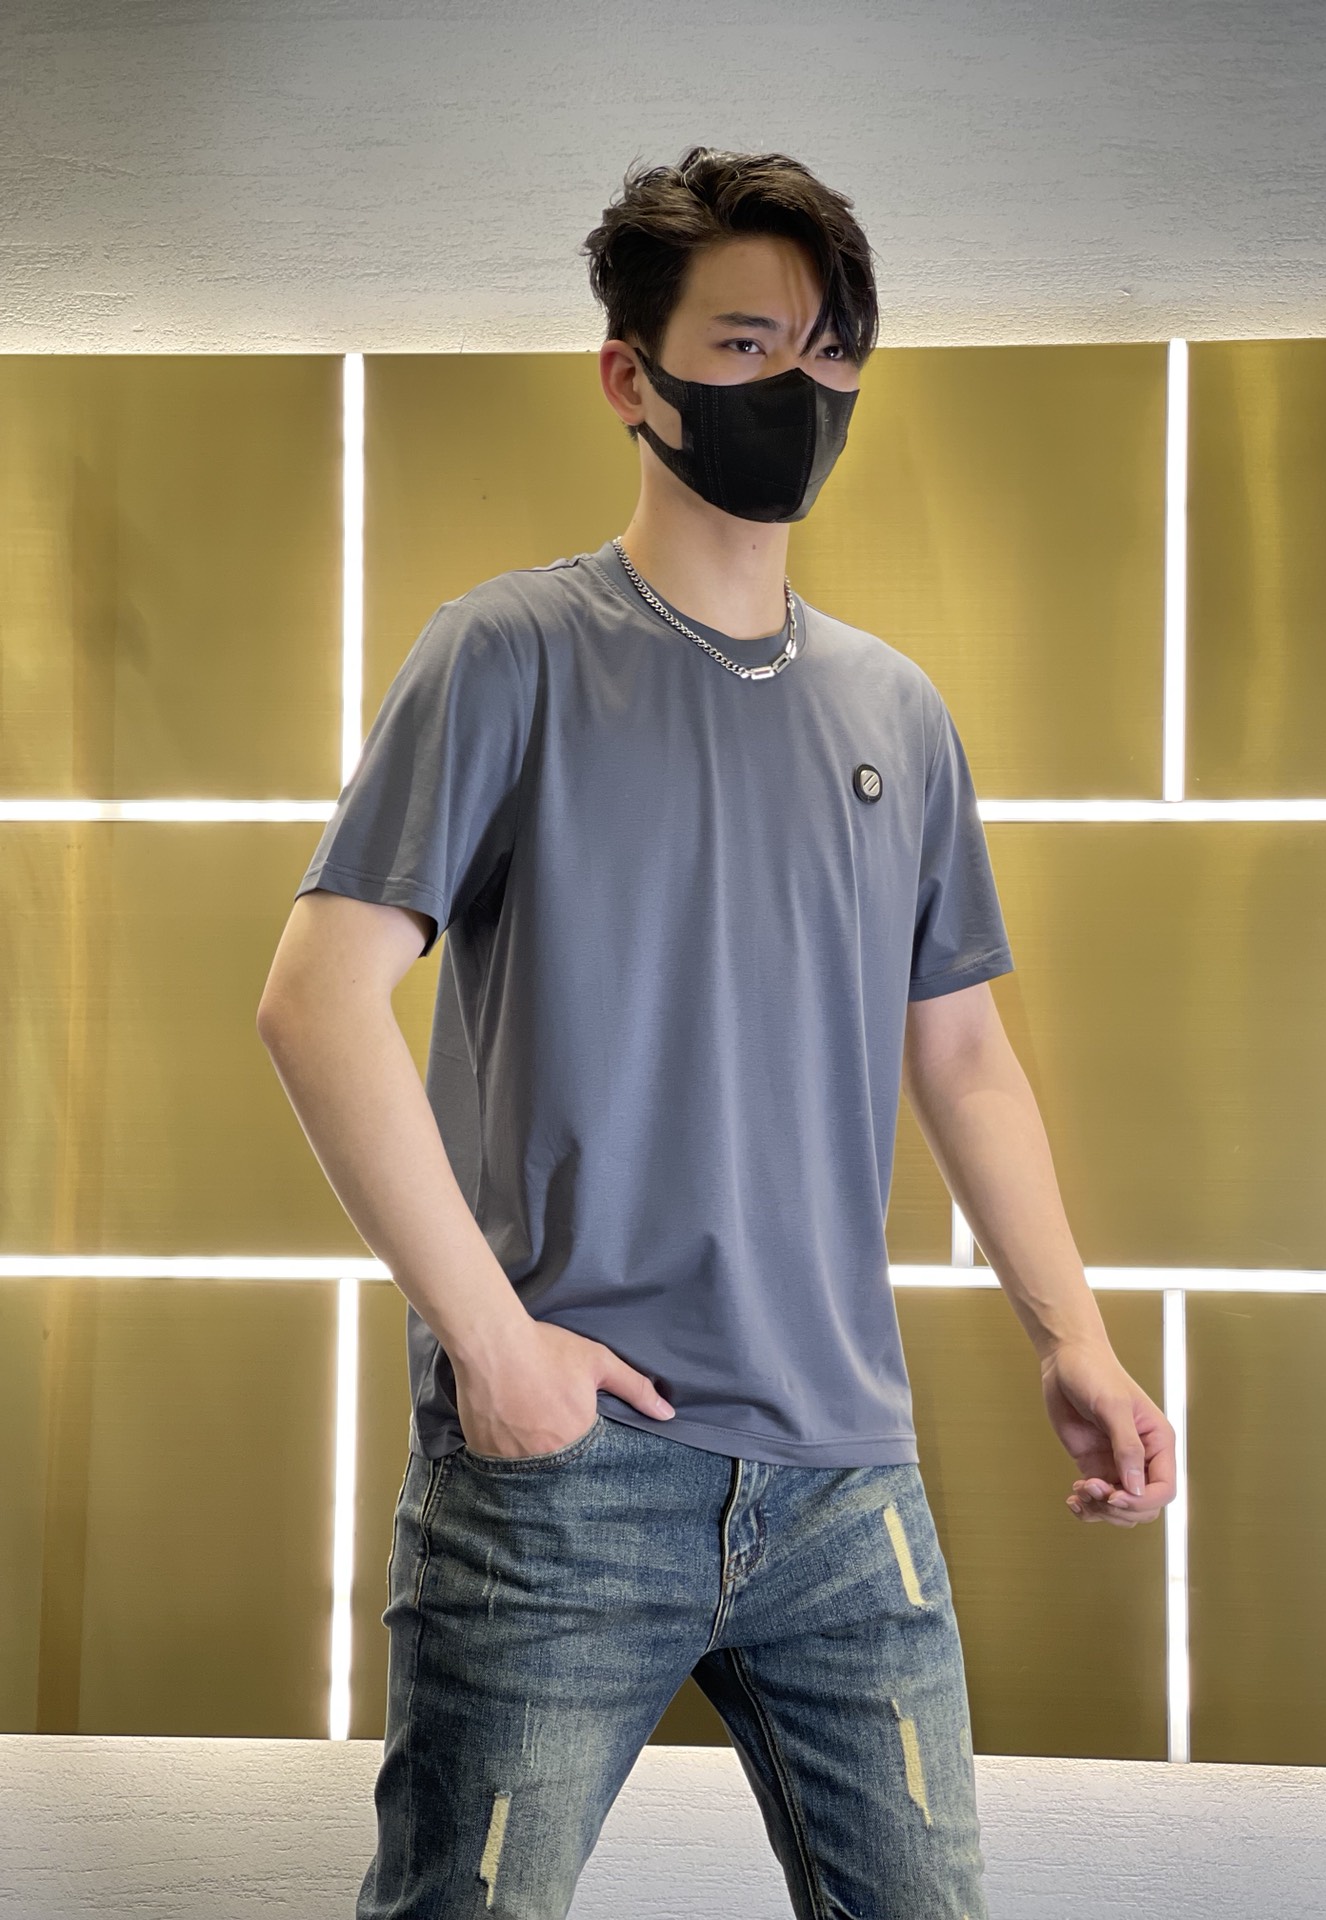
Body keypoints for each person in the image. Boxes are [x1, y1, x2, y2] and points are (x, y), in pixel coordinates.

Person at [258, 145, 1176, 1920]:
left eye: (829, 354)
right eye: (748, 347)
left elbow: (964, 1056)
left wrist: (1077, 1339)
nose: (798, 391)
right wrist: (492, 1346)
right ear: (633, 374)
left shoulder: (897, 712)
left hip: (848, 1483)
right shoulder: (507, 653)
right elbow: (315, 997)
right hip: (565, 1482)